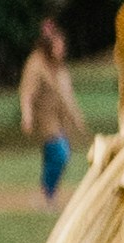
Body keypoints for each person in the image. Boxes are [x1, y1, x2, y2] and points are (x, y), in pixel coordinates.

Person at [17, 12, 85, 203]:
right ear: (49, 46)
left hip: (60, 118)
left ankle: (46, 194)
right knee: (61, 154)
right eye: (59, 45)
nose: (63, 49)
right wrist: (27, 116)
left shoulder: (59, 67)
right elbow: (27, 93)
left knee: (54, 155)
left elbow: (68, 95)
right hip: (44, 118)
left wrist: (77, 117)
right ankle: (47, 194)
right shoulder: (36, 63)